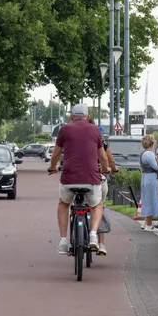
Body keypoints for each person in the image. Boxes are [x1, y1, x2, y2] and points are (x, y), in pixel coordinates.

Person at [48, 104, 110, 255]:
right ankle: (94, 235)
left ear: (72, 117)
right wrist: (105, 168)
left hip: (69, 178)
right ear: (88, 117)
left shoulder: (65, 129)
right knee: (96, 205)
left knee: (63, 204)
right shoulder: (95, 130)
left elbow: (56, 153)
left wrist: (52, 166)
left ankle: (63, 241)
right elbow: (102, 156)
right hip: (91, 178)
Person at [88, 117, 119, 255]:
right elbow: (108, 159)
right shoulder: (101, 141)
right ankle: (100, 244)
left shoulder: (74, 140)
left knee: (76, 204)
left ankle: (75, 233)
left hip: (77, 178)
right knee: (99, 206)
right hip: (97, 179)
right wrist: (112, 168)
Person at [139, 134, 158, 231]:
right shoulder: (149, 154)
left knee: (146, 198)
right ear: (152, 143)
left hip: (145, 177)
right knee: (151, 200)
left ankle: (146, 222)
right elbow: (156, 167)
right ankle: (149, 224)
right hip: (151, 178)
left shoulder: (143, 153)